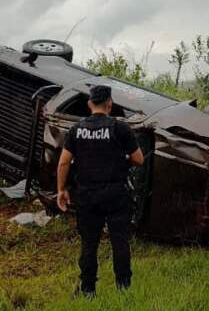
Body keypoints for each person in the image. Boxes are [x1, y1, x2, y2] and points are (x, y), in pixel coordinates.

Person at [56, 84, 144, 296]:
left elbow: (64, 162)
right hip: (116, 194)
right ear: (109, 104)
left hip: (87, 195)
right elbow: (139, 159)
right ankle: (123, 288)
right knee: (120, 241)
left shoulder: (77, 130)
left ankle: (88, 290)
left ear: (89, 104)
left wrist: (61, 190)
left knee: (89, 243)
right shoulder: (120, 128)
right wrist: (122, 159)